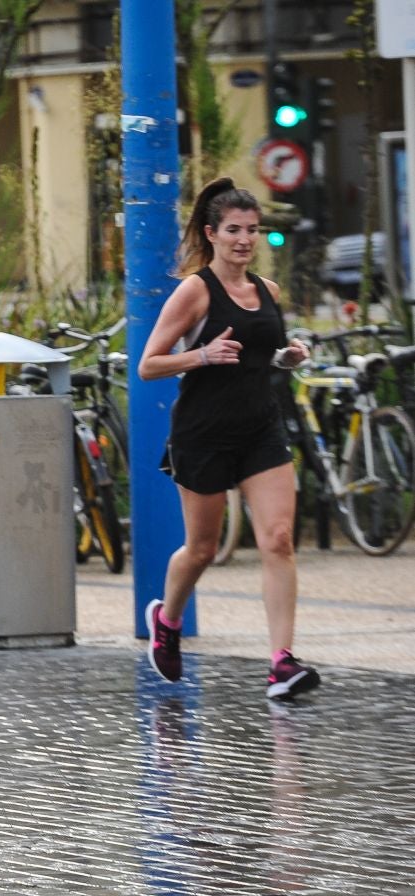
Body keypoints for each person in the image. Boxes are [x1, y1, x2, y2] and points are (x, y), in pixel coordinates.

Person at [137, 176, 316, 701]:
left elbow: (265, 355)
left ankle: (282, 662)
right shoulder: (195, 291)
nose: (244, 239)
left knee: (279, 539)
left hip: (260, 428)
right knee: (202, 550)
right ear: (212, 233)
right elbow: (149, 365)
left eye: (253, 231)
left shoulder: (268, 292)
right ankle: (166, 622)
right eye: (234, 230)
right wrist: (201, 356)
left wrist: (290, 356)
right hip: (204, 433)